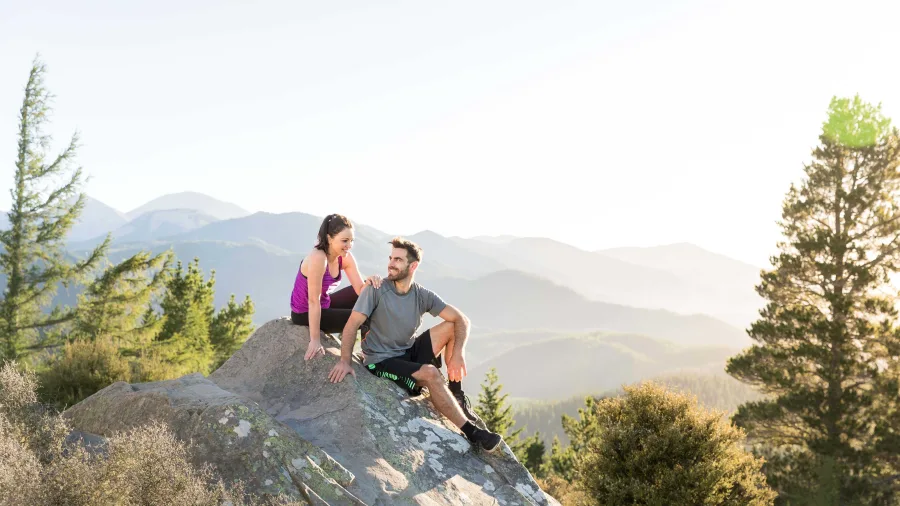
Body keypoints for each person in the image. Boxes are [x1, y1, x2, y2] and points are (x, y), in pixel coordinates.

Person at [327, 237, 503, 452]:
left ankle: (455, 393)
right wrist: (345, 361)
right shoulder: (376, 289)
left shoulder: (421, 294)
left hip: (408, 353)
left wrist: (458, 353)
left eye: (398, 260)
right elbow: (351, 325)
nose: (391, 263)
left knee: (451, 326)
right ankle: (473, 433)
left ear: (413, 266)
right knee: (430, 373)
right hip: (381, 362)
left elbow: (461, 319)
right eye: (391, 258)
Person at [290, 213, 381, 361]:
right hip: (304, 312)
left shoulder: (345, 257)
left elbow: (360, 290)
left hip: (324, 304)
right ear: (329, 238)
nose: (349, 245)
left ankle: (374, 353)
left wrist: (371, 282)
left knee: (370, 291)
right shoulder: (318, 257)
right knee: (365, 318)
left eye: (351, 240)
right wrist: (315, 340)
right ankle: (371, 359)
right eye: (344, 241)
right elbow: (313, 301)